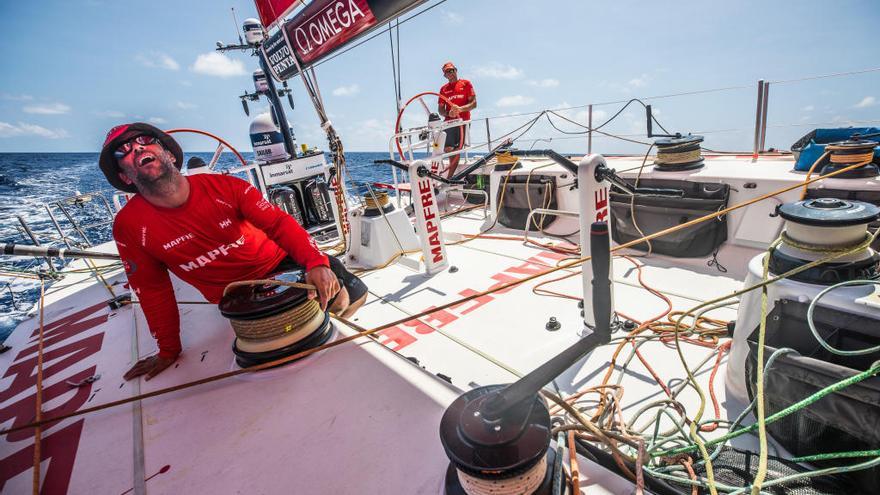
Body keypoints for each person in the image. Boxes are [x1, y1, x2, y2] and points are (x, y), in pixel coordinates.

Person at [98, 123, 367, 380]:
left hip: (281, 262)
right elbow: (153, 289)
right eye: (123, 150)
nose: (136, 149)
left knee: (349, 296)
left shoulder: (225, 187)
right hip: (236, 293)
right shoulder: (130, 226)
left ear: (168, 153)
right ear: (124, 176)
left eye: (144, 141)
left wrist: (315, 263)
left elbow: (278, 223)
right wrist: (169, 351)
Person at [437, 61, 477, 178]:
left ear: (456, 70)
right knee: (448, 148)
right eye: (447, 72)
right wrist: (448, 113)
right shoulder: (443, 89)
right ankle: (449, 174)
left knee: (457, 148)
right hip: (449, 122)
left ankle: (449, 176)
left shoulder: (466, 84)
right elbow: (440, 110)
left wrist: (460, 109)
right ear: (445, 75)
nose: (450, 73)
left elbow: (473, 104)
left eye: (452, 70)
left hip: (462, 121)